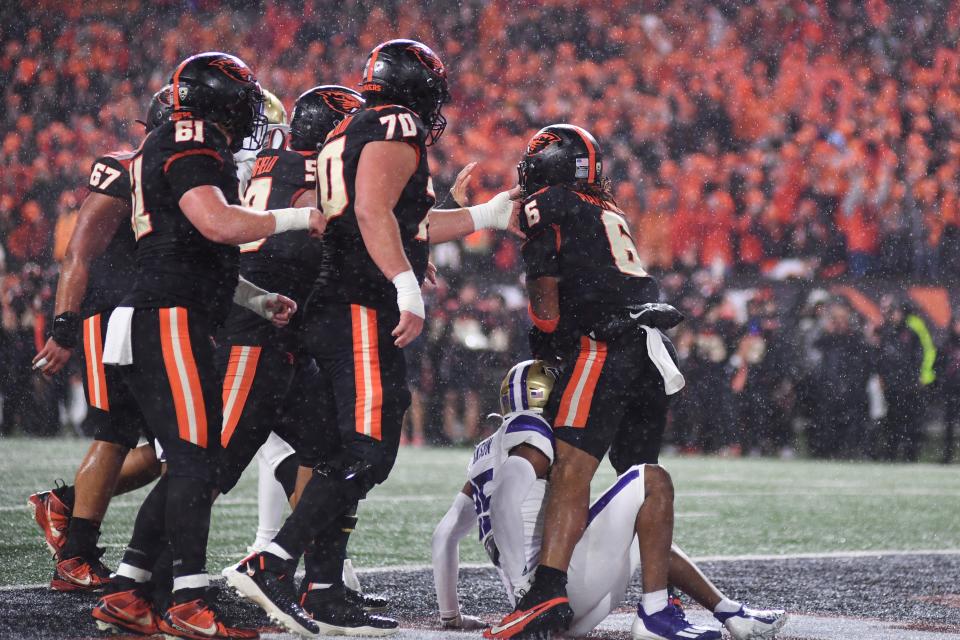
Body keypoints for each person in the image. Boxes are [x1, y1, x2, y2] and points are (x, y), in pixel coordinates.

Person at [226, 39, 520, 637]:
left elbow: (396, 221)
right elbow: (372, 214)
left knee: (336, 448)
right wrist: (404, 284)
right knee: (366, 449)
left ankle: (324, 585)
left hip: (337, 301)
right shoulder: (394, 121)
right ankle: (272, 563)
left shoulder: (349, 131)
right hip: (357, 304)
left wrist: (484, 216)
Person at [90, 51, 321, 639]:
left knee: (190, 461)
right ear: (221, 99)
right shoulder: (190, 134)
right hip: (167, 318)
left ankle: (129, 588)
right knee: (195, 459)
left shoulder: (172, 140)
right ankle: (189, 599)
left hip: (170, 311)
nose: (250, 116)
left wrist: (255, 300)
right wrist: (296, 220)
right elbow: (217, 224)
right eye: (243, 102)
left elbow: (197, 252)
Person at [489, 124, 686, 638]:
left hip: (605, 341)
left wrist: (549, 339)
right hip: (649, 346)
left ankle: (547, 589)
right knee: (641, 482)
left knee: (572, 466)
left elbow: (545, 294)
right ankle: (663, 603)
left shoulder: (549, 201)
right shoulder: (604, 209)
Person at [433, 360, 788, 640]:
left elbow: (445, 535)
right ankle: (654, 614)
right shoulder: (533, 430)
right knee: (652, 479)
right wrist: (529, 586)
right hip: (555, 590)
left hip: (551, 599)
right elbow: (505, 500)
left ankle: (729, 612)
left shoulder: (484, 453)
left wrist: (451, 614)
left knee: (646, 525)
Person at [27, 88, 175, 592]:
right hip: (112, 317)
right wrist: (65, 326)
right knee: (116, 432)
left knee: (168, 451)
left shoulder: (183, 178)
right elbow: (80, 253)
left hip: (152, 320)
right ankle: (76, 556)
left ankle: (66, 504)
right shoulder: (126, 169)